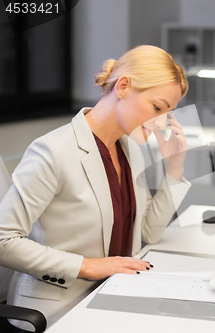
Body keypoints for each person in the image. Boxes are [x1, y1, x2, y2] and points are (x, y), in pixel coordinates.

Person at [0, 45, 191, 330]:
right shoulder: (53, 150)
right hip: (60, 308)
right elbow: (3, 239)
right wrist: (88, 266)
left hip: (116, 295)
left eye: (169, 113)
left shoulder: (130, 148)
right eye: (157, 107)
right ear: (124, 86)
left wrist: (174, 166)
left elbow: (148, 233)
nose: (161, 123)